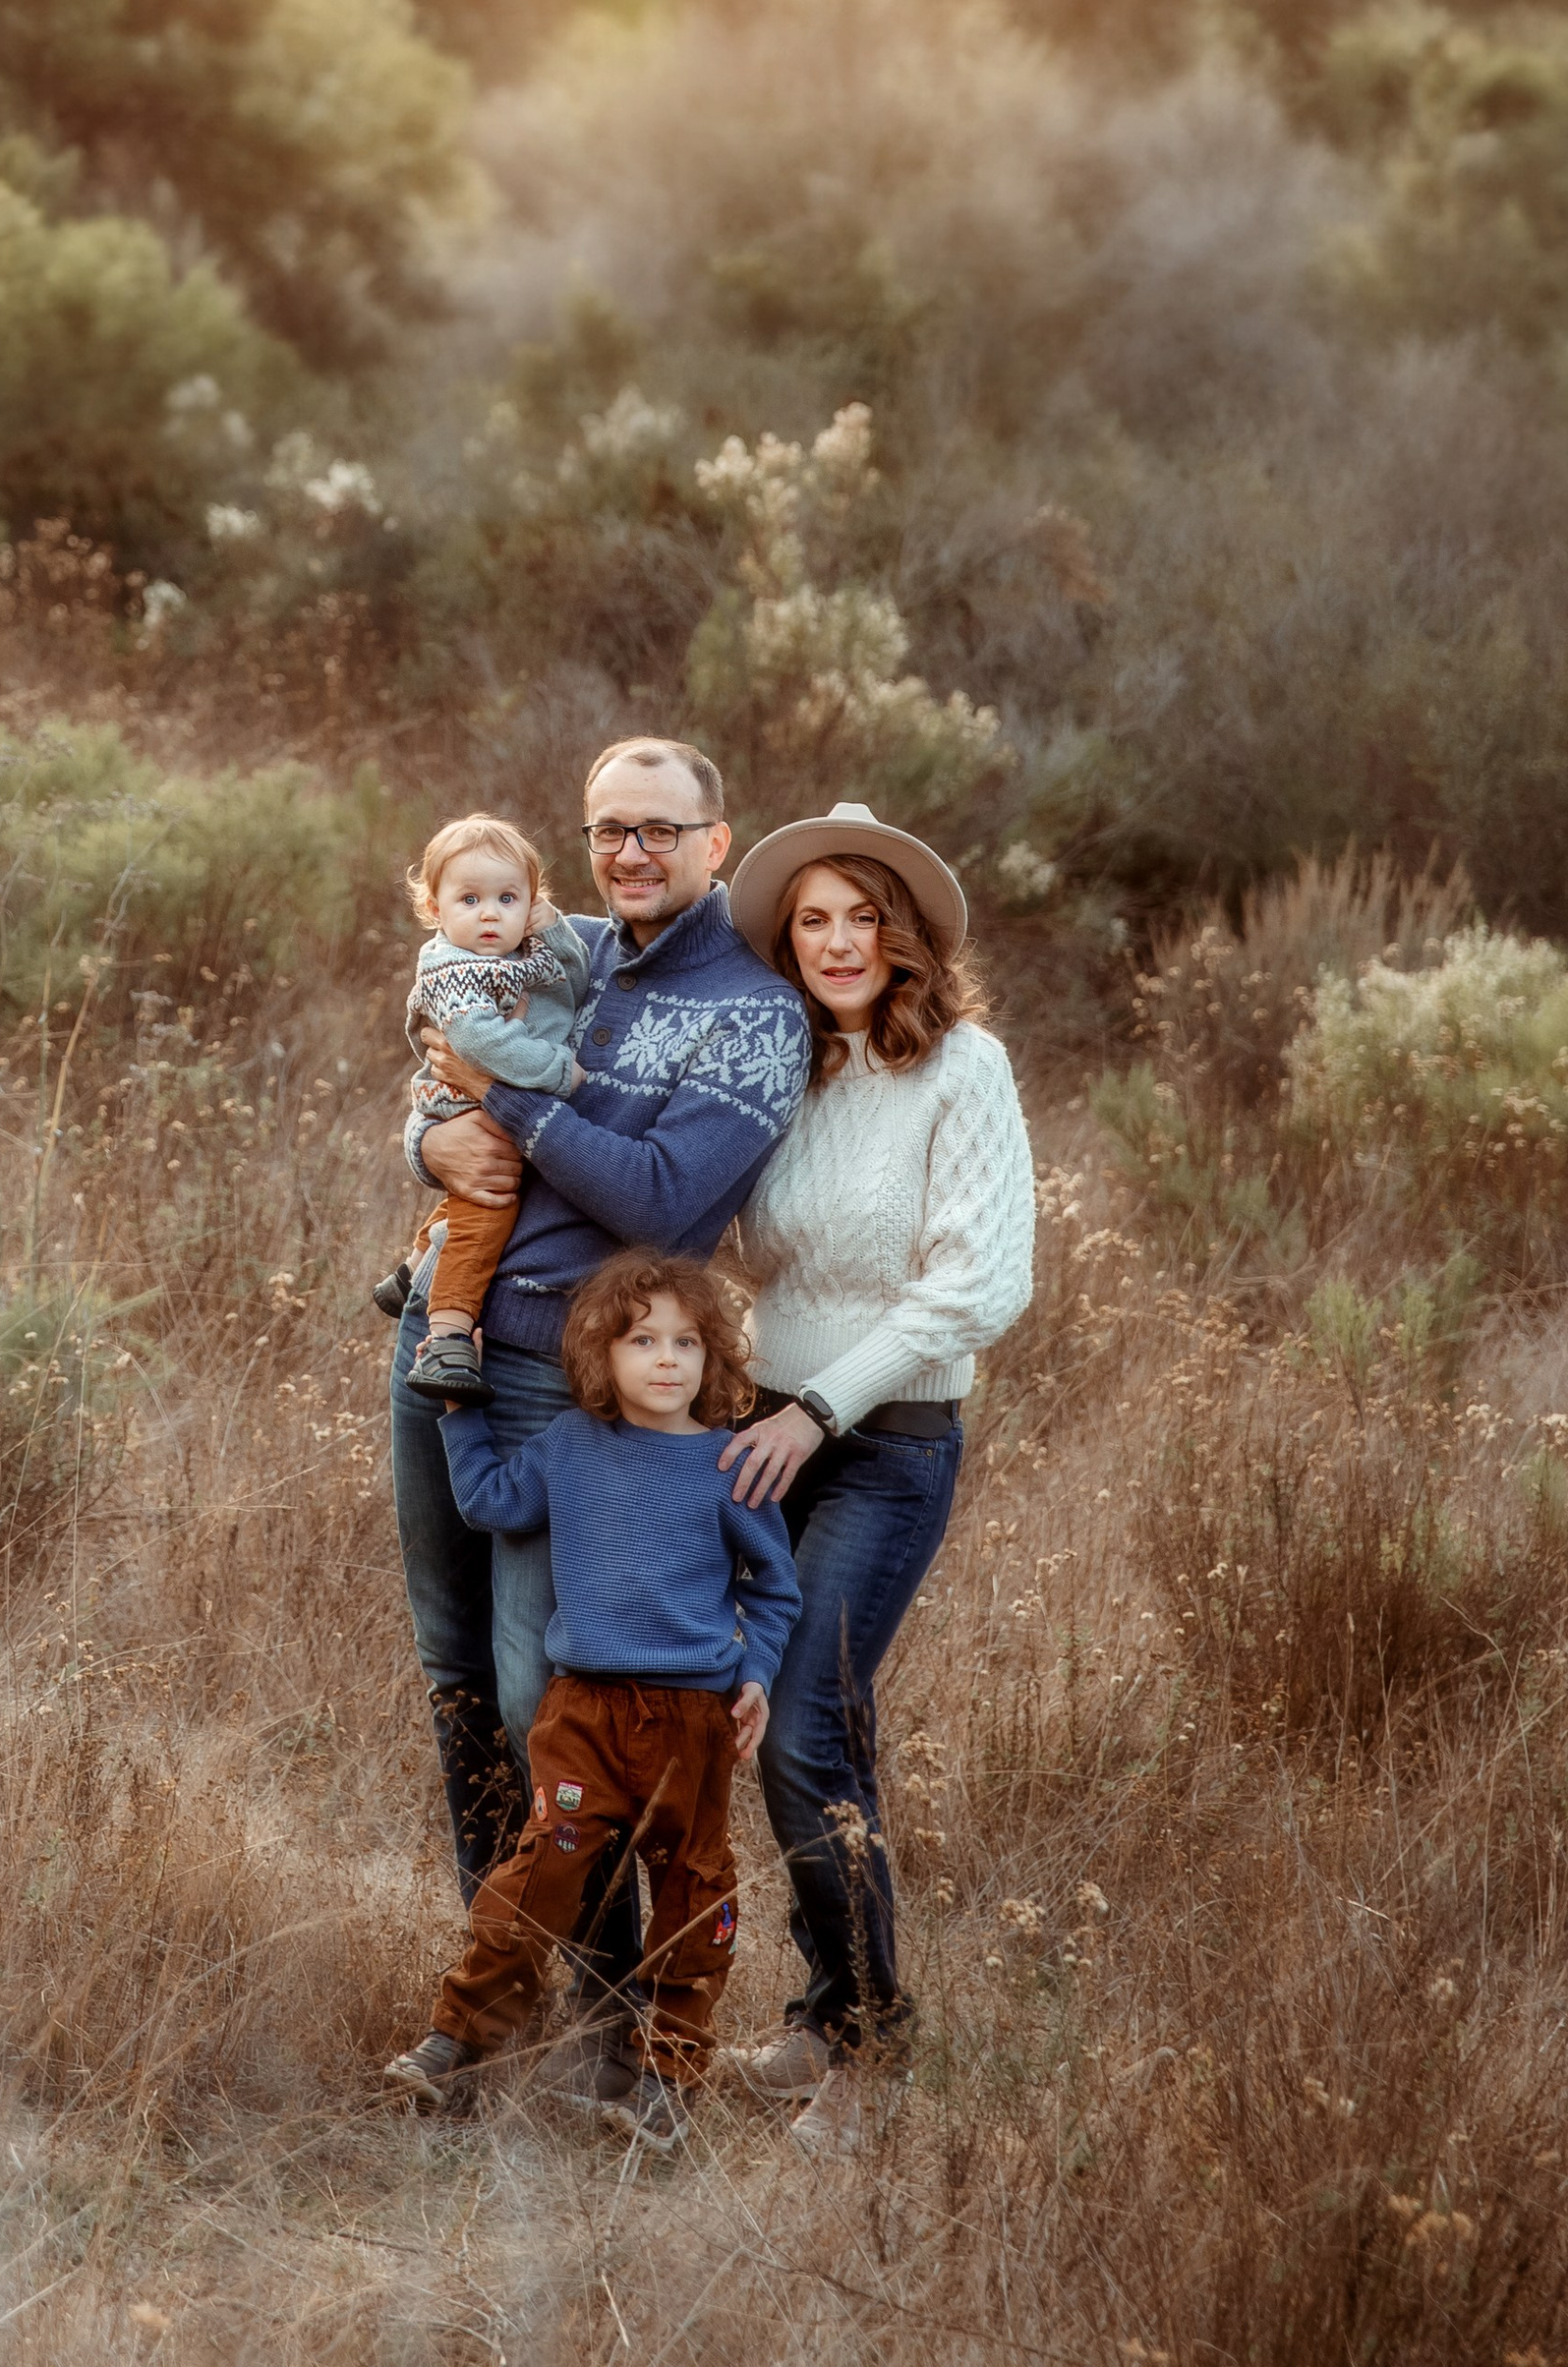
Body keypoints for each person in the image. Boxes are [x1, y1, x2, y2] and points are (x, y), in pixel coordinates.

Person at [390, 735, 809, 2099]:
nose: (630, 853)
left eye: (660, 830)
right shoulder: (564, 948)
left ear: (717, 841)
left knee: (544, 1702)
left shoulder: (752, 1015)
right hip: (443, 1340)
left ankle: (618, 2016)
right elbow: (434, 1019)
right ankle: (498, 2000)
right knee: (455, 1672)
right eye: (609, 830)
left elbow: (663, 1200)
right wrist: (427, 1133)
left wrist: (499, 1092)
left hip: (561, 1381)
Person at [716, 798, 1035, 2159]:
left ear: (904, 937)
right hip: (761, 1430)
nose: (838, 942)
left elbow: (980, 1285)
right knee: (784, 1733)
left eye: (862, 918)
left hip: (884, 1447)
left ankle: (868, 2048)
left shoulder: (960, 1069)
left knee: (804, 1728)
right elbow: (757, 1259)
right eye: (812, 922)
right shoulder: (787, 1071)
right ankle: (822, 2004)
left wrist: (822, 1405)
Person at [383, 1247, 801, 2151]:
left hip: (693, 1722)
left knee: (694, 1896)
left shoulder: (730, 1465)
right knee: (540, 1874)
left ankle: (667, 2079)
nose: (666, 1358)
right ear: (599, 1357)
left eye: (687, 1341)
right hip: (583, 1715)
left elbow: (775, 1588)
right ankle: (455, 2044)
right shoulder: (571, 1446)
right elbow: (493, 1502)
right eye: (641, 1338)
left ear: (713, 1357)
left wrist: (757, 1671)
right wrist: (460, 1407)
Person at [373, 814, 591, 1401]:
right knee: (485, 1209)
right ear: (435, 909)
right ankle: (446, 1336)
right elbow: (480, 1043)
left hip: (490, 1105)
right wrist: (556, 1073)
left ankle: (415, 1268)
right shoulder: (453, 968)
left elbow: (570, 980)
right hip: (463, 1107)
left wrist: (555, 929)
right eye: (470, 899)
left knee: (469, 1200)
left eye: (508, 898)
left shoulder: (518, 953)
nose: (490, 913)